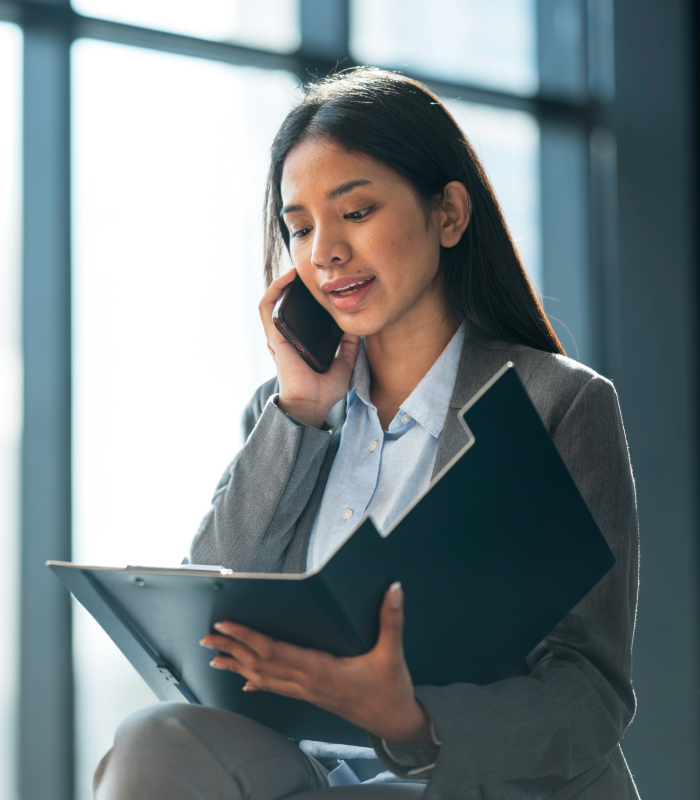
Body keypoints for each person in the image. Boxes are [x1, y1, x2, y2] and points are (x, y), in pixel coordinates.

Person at [93, 67, 640, 800]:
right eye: (300, 227)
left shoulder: (558, 404)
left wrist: (412, 718)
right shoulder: (284, 412)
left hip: (463, 780)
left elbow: (589, 697)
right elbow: (210, 636)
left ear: (447, 214)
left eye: (355, 213)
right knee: (151, 740)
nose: (324, 253)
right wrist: (301, 412)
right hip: (309, 774)